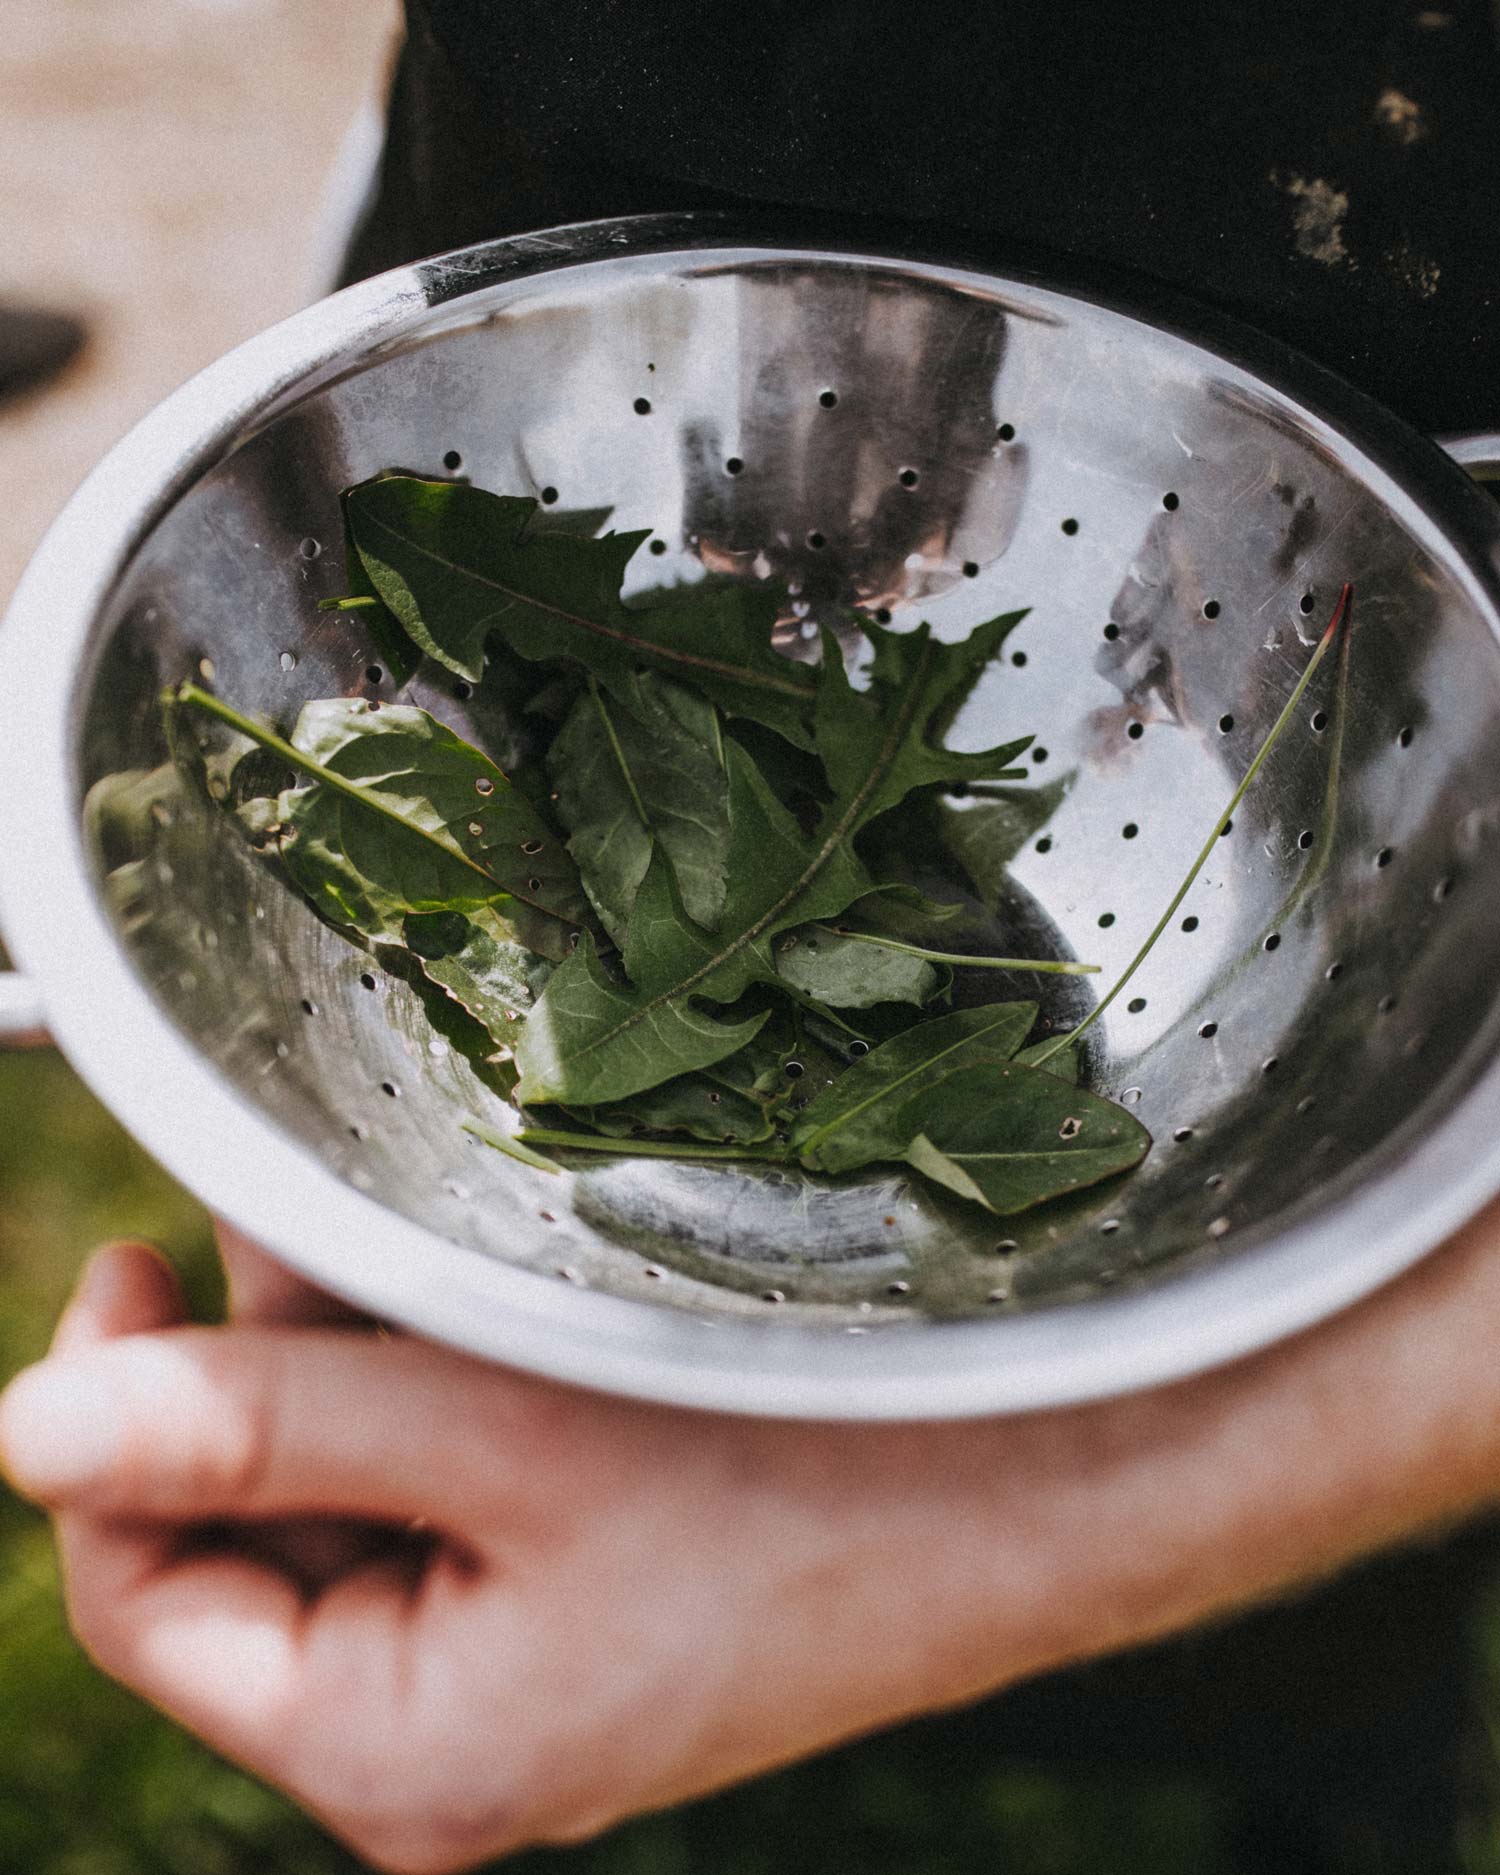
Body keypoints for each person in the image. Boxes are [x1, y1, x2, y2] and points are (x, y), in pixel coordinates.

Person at [6, 4, 1500, 1869]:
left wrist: (1069, 1525)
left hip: (1399, 428)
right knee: (475, 1406)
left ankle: (1276, 1763)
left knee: (1298, 1693)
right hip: (562, 257)